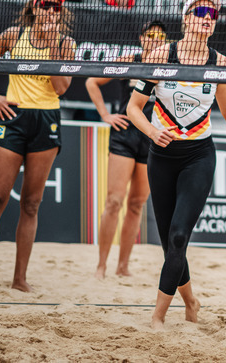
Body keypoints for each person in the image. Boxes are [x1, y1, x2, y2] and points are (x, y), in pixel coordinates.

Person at [125, 0, 226, 329]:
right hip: (161, 156)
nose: (207, 17)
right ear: (186, 18)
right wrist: (152, 133)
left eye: (212, 14)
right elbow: (132, 109)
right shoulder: (161, 55)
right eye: (200, 11)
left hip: (198, 156)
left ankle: (157, 317)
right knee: (170, 239)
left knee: (180, 236)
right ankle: (191, 301)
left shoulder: (221, 64)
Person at [0, 0, 77, 292]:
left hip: (46, 121)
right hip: (13, 117)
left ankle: (19, 279)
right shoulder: (14, 35)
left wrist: (52, 46)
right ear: (34, 8)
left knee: (31, 204)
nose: (51, 11)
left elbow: (62, 88)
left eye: (56, 8)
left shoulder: (66, 44)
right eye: (46, 5)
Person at [87, 20, 168, 279]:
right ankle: (101, 266)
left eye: (160, 36)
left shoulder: (170, 64)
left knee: (136, 205)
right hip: (124, 135)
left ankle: (123, 267)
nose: (155, 39)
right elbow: (91, 82)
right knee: (114, 201)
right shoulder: (128, 60)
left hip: (152, 138)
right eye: (150, 35)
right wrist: (105, 114)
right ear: (142, 38)